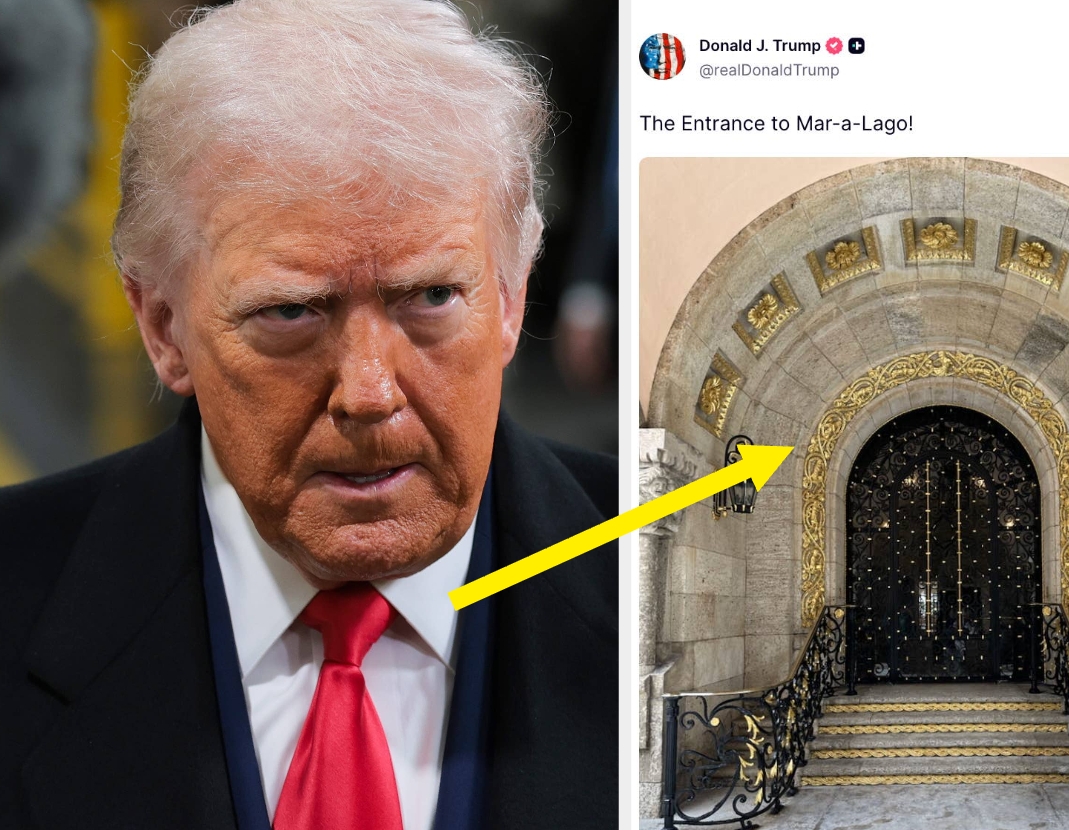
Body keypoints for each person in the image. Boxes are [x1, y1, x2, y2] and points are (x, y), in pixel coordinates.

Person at [0, 1, 618, 828]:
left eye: (432, 297)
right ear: (162, 328)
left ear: (511, 299)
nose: (369, 392)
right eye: (292, 313)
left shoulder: (689, 597)